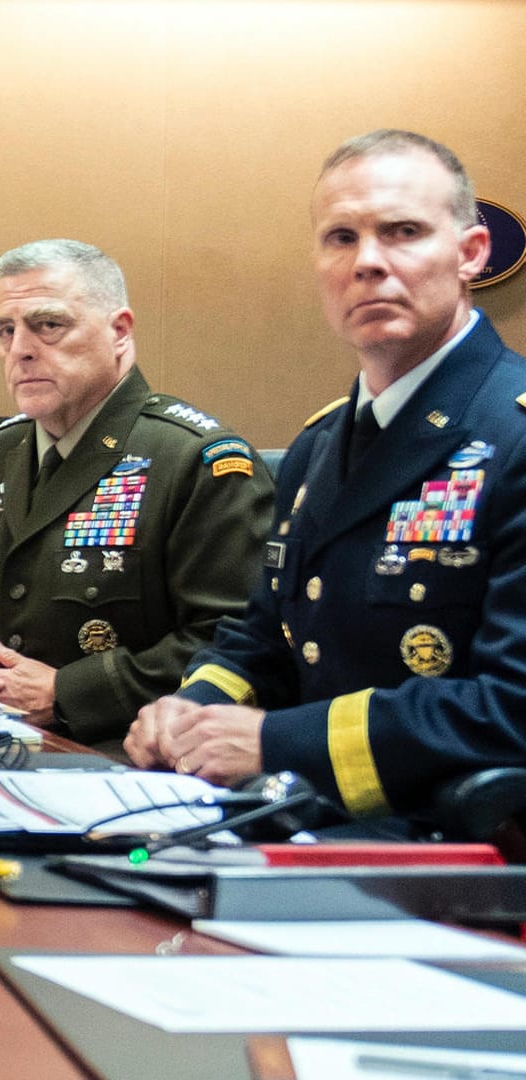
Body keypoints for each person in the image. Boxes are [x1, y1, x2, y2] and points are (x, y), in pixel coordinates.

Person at [127, 130, 526, 816]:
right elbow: (264, 640)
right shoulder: (318, 446)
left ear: (470, 254)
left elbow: (512, 705)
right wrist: (189, 711)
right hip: (299, 824)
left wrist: (280, 743)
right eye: (341, 238)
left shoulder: (513, 432)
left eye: (403, 231)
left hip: (454, 857)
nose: (368, 262)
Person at [0, 240, 273, 746]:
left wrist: (68, 692)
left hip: (124, 756)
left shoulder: (194, 460)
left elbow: (235, 642)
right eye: (6, 331)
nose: (21, 349)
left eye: (48, 325)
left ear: (119, 331)